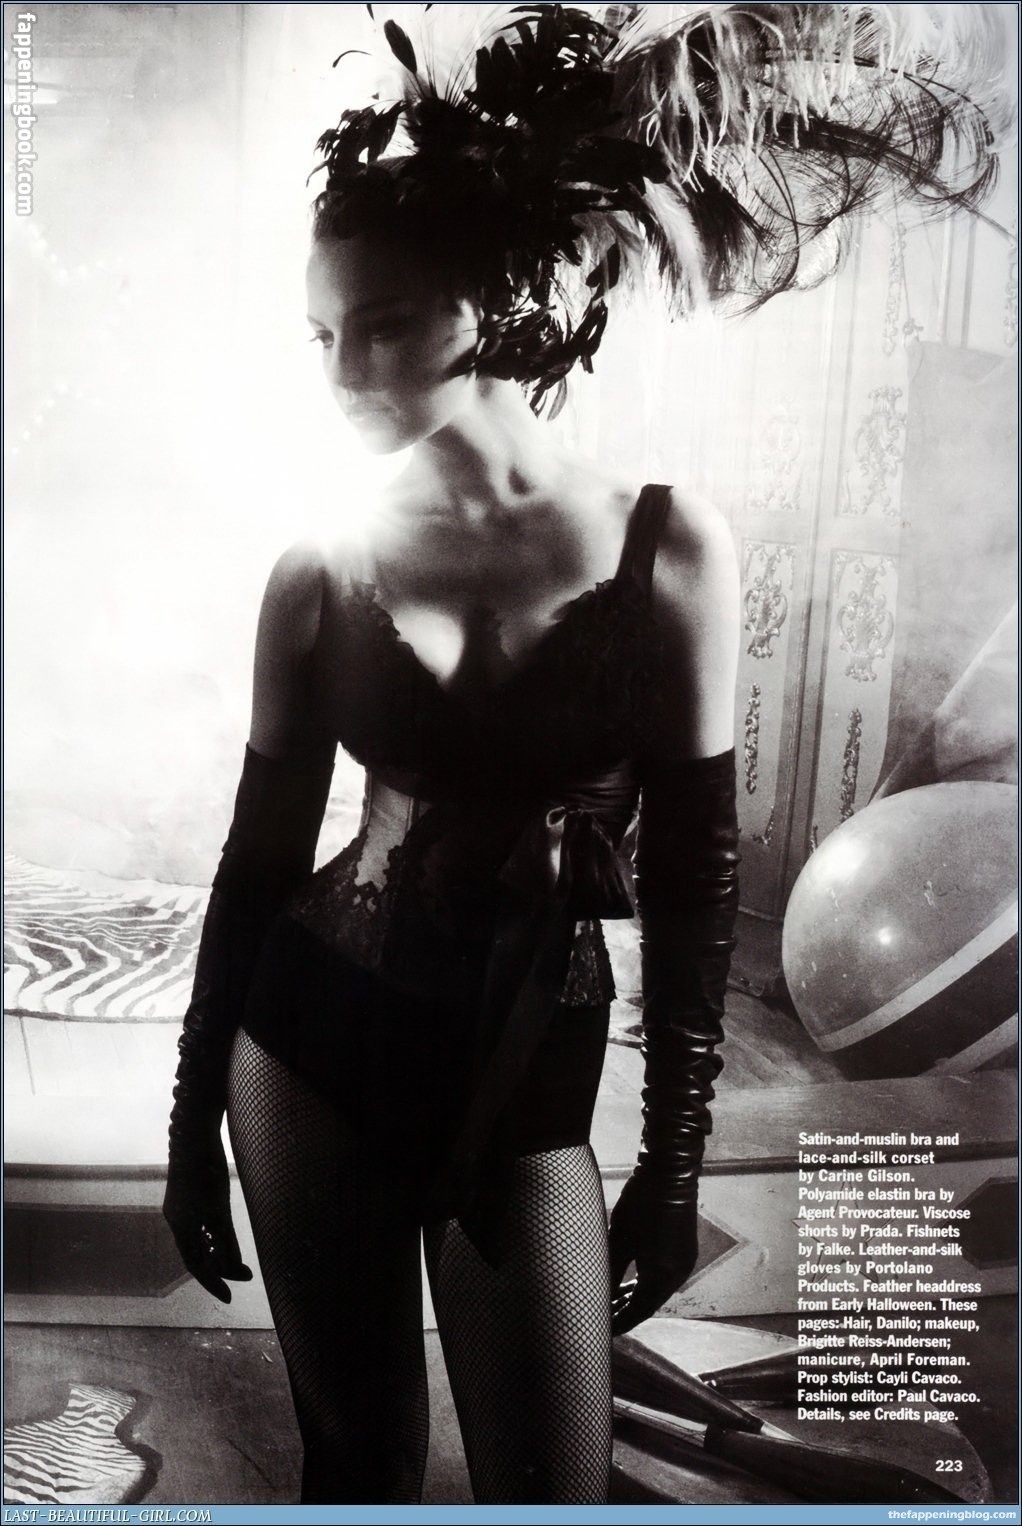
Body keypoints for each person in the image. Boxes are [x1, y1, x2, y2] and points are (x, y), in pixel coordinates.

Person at [161, 3, 1005, 1504]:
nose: (342, 371)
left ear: (487, 301)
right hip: (307, 1049)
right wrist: (187, 1121)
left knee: (551, 1487)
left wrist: (672, 1167)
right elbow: (259, 857)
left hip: (528, 1073)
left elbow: (695, 882)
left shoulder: (669, 548)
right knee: (355, 1467)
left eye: (378, 324)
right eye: (321, 336)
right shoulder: (316, 568)